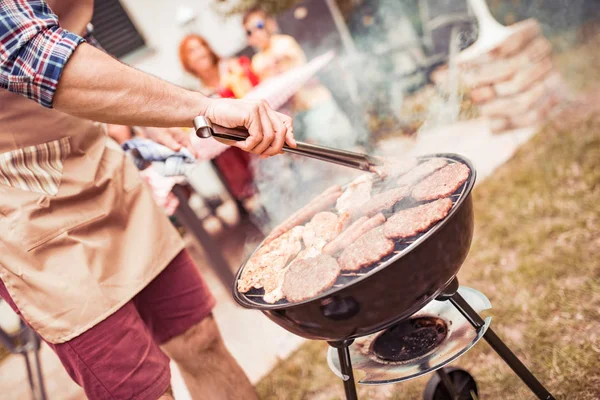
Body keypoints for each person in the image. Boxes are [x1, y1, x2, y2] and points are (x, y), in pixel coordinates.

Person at [0, 1, 295, 399]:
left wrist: (141, 120)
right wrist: (201, 108)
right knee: (143, 390)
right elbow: (37, 55)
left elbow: (78, 42)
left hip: (102, 166)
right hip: (24, 207)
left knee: (200, 337)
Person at [243, 6, 357, 148]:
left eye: (259, 26)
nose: (256, 33)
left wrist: (276, 62)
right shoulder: (257, 61)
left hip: (316, 102)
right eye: (249, 31)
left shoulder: (284, 42)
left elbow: (296, 63)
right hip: (296, 115)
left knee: (345, 147)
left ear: (270, 24)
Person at [179, 34, 258, 206]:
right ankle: (249, 197)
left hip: (257, 137)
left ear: (208, 48)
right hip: (236, 154)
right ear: (187, 62)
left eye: (201, 46)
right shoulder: (198, 94)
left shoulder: (232, 68)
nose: (199, 53)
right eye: (192, 51)